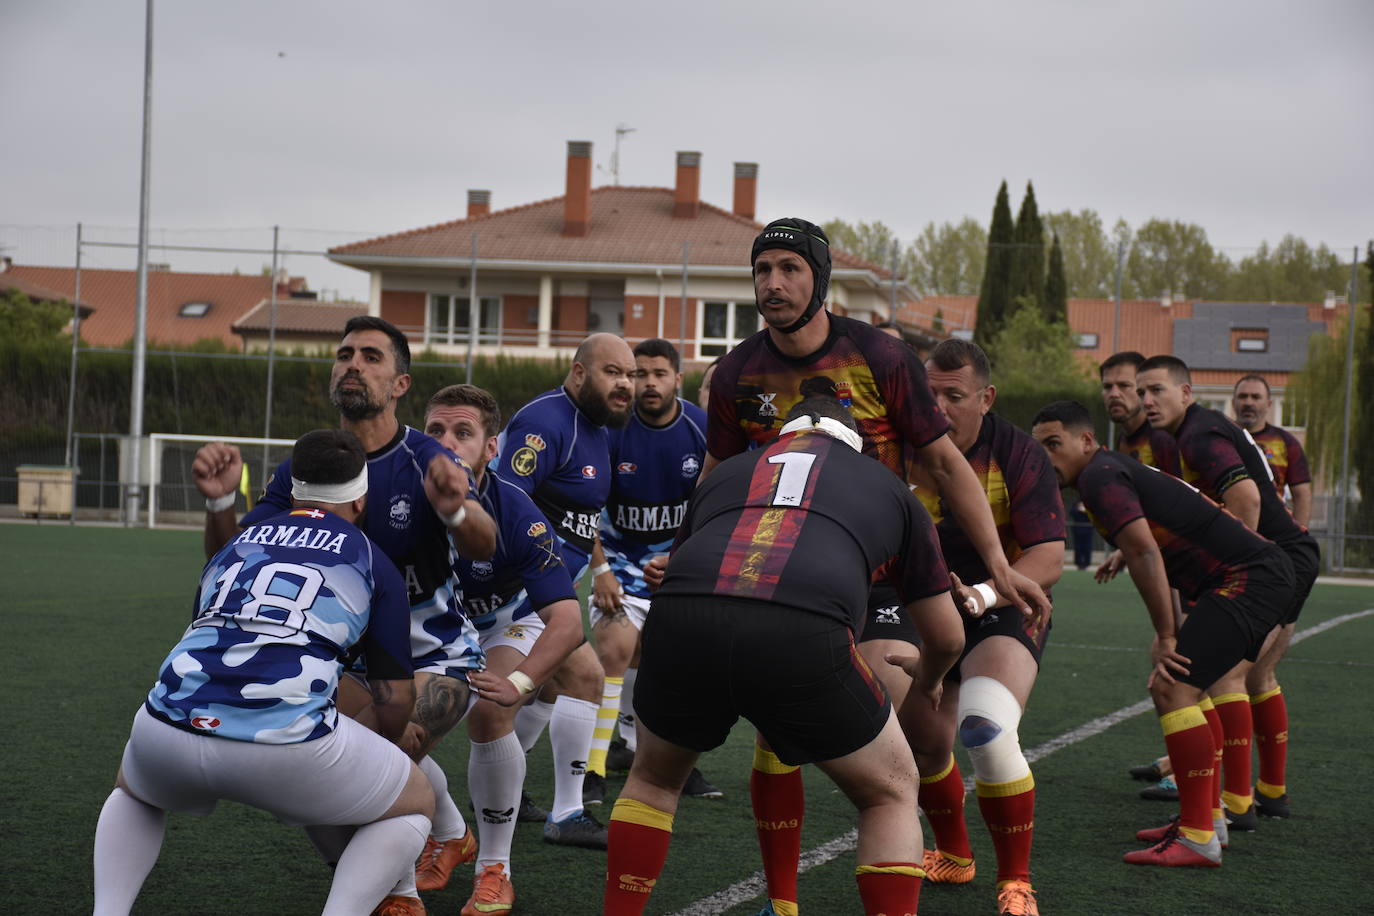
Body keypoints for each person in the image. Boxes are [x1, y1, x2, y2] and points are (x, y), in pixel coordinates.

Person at [703, 217, 1050, 916]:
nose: (773, 282)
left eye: (790, 269)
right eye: (763, 268)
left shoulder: (880, 356)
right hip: (782, 576)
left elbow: (945, 462)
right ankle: (782, 901)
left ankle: (987, 863)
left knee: (919, 723)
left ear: (820, 278)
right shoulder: (738, 371)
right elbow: (717, 475)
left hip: (883, 574)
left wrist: (995, 566)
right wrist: (689, 563)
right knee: (776, 728)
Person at [603, 397, 966, 916]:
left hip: (683, 617)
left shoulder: (728, 471)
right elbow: (948, 636)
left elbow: (676, 563)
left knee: (653, 781)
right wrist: (930, 677)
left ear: (780, 435)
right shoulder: (887, 483)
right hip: (800, 626)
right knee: (889, 792)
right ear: (857, 442)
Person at [192, 315, 495, 915]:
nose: (352, 364)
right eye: (345, 353)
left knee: (363, 768)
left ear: (400, 383)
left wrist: (458, 511)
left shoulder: (426, 459)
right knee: (297, 765)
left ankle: (399, 892)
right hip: (345, 666)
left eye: (371, 357)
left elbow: (485, 545)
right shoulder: (311, 463)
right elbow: (235, 555)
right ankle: (404, 876)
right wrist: (221, 501)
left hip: (434, 659)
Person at [94, 430, 434, 915]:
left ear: (292, 493)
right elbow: (394, 697)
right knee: (417, 800)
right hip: (286, 746)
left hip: (166, 725)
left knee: (134, 787)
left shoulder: (235, 546)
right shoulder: (370, 557)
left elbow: (205, 631)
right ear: (362, 499)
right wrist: (391, 737)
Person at [1031, 401, 1295, 867]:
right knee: (1179, 691)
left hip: (1251, 576)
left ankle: (1198, 837)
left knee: (1175, 688)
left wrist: (1167, 635)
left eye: (1054, 444)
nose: (1046, 456)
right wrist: (1169, 631)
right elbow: (1158, 553)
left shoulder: (1098, 477)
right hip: (1249, 576)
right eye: (1038, 448)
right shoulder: (1111, 471)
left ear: (1088, 441)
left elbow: (1144, 554)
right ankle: (1207, 822)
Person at [902, 340, 1064, 916]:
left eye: (955, 395)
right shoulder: (897, 448)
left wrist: (986, 594)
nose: (939, 407)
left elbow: (1048, 556)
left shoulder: (1019, 453)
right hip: (917, 606)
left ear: (986, 399)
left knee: (987, 729)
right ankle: (954, 854)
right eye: (930, 394)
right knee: (919, 740)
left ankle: (1015, 882)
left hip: (1001, 604)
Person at [421, 384, 585, 916]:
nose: (447, 444)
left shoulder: (517, 511)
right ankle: (450, 831)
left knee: (491, 711)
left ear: (492, 448)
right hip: (430, 631)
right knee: (380, 722)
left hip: (503, 627)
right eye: (435, 432)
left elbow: (566, 620)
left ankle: (495, 869)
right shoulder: (394, 497)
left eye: (463, 433)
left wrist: (518, 685)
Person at [1138, 356, 1319, 824]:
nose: (1145, 400)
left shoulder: (1199, 434)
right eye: (1141, 392)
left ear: (1187, 393)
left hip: (1273, 562)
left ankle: (1233, 803)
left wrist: (1238, 569)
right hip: (1286, 559)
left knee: (1219, 678)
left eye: (1155, 389)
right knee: (1254, 677)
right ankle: (1268, 794)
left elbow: (1246, 500)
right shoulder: (1185, 435)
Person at [493, 332, 637, 850]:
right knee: (511, 702)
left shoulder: (598, 426)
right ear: (579, 374)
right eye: (613, 372)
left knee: (568, 684)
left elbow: (578, 515)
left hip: (546, 593)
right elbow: (507, 504)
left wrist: (597, 568)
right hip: (514, 595)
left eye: (631, 374)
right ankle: (556, 813)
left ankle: (553, 809)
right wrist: (530, 587)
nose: (625, 384)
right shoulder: (546, 422)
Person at [585, 338, 721, 800]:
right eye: (639, 374)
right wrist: (600, 569)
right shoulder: (610, 430)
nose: (647, 383)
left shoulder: (702, 429)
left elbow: (720, 504)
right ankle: (595, 771)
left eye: (659, 374)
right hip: (619, 560)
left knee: (684, 660)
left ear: (678, 379)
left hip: (679, 560)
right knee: (617, 645)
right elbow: (583, 508)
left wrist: (691, 559)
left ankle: (674, 765)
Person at [1098, 350, 1182, 800]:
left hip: (1197, 571)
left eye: (1126, 386)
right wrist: (1124, 552)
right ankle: (1178, 759)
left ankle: (1199, 775)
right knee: (1168, 664)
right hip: (1171, 568)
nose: (1116, 393)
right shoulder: (1128, 444)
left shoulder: (1167, 438)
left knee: (1179, 668)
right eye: (1107, 386)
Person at [1232, 374, 1313, 528]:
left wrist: (1300, 540)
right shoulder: (1221, 439)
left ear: (1269, 404)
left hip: (1273, 534)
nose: (1248, 402)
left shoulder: (1286, 442)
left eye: (1256, 397)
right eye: (1243, 396)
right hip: (1230, 528)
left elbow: (1301, 494)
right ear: (1233, 402)